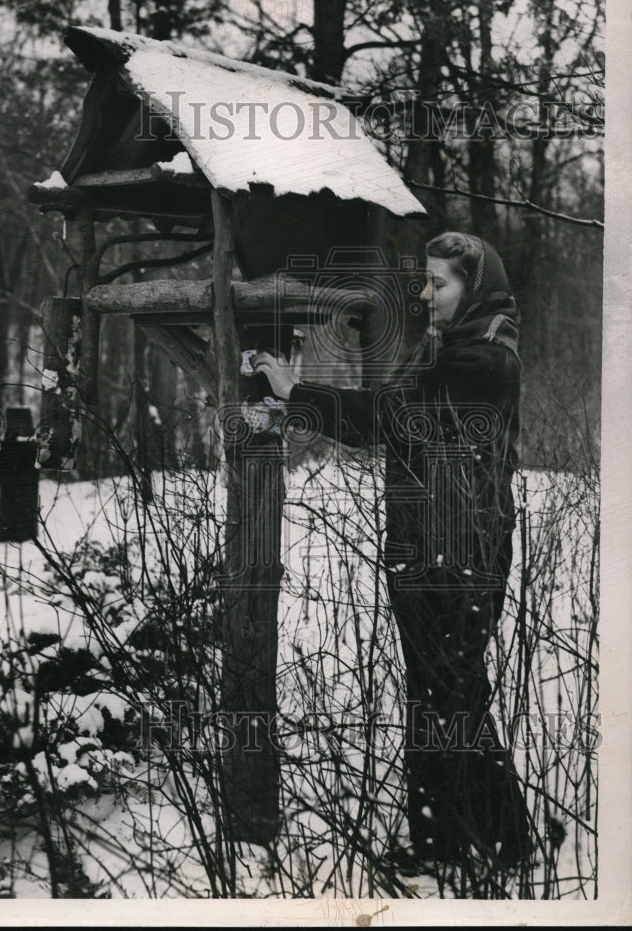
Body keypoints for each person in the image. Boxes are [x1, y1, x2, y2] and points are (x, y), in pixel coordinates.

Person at [253, 232, 533, 871]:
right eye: (424, 283)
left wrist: (300, 395)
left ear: (476, 289)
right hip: (426, 547)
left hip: (459, 550)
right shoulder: (452, 349)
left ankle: (495, 844)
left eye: (441, 284)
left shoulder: (484, 360)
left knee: (452, 696)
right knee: (437, 696)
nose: (426, 296)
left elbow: (391, 416)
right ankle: (452, 843)